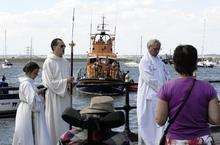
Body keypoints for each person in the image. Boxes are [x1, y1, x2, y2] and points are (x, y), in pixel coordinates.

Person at [155, 44, 220, 145]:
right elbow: (216, 119)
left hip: (176, 140)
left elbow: (160, 120)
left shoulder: (166, 88)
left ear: (175, 64)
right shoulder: (208, 88)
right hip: (202, 139)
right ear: (195, 63)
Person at [42, 38, 74, 144]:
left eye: (64, 46)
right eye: (61, 46)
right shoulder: (48, 62)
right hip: (53, 97)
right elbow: (48, 82)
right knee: (54, 122)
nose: (64, 48)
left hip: (65, 97)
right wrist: (66, 81)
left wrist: (71, 84)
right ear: (54, 47)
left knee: (65, 122)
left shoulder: (66, 62)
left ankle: (66, 141)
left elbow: (68, 79)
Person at [136, 39, 169, 145]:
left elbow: (167, 75)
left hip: (160, 97)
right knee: (146, 122)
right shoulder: (144, 61)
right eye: (155, 49)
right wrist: (162, 90)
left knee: (159, 124)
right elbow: (149, 79)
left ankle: (158, 141)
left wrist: (168, 88)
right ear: (149, 48)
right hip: (148, 97)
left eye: (158, 49)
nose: (157, 51)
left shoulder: (160, 62)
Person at [12, 61, 52, 145]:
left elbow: (31, 96)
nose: (36, 75)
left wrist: (37, 93)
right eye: (35, 73)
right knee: (28, 133)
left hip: (25, 108)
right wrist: (39, 96)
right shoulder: (27, 84)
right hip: (28, 111)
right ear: (29, 72)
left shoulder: (28, 82)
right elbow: (32, 102)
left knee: (26, 133)